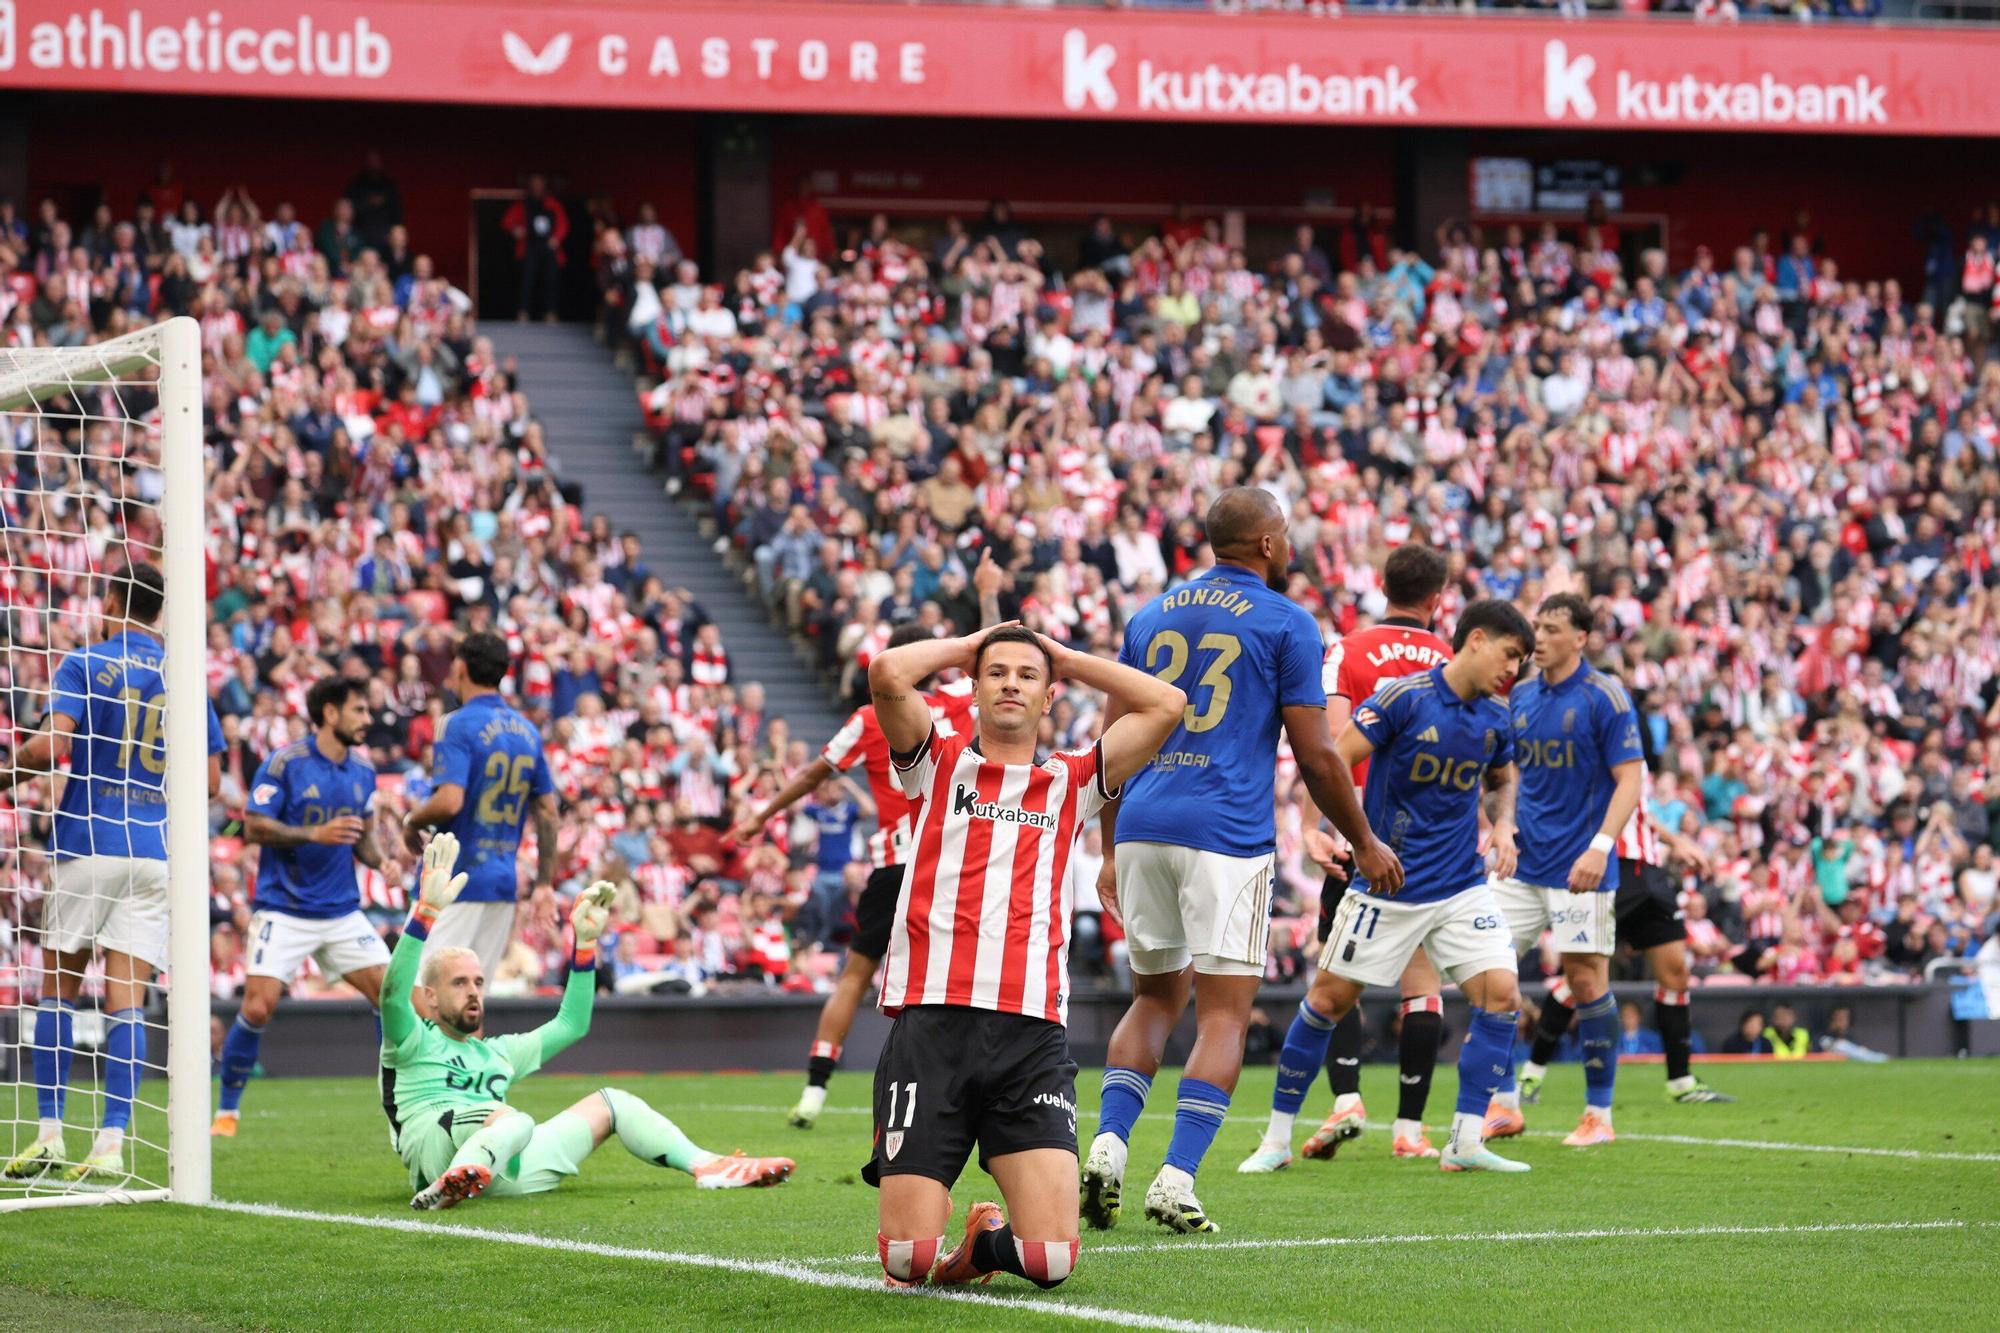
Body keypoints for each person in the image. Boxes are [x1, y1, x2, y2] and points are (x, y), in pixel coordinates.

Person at [1082, 488, 1399, 1236]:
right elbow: (1317, 754)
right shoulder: (1287, 620)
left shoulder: (1151, 615)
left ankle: (1106, 1147)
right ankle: (1176, 1178)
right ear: (1266, 544)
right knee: (1223, 1012)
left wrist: (1110, 848)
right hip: (1225, 833)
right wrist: (1363, 839)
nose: (1289, 544)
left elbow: (1111, 745)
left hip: (1144, 825)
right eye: (1284, 533)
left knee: (1153, 1000)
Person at [864, 623, 1186, 1290]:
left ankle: (981, 1246)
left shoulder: (1072, 780)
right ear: (974, 689)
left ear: (1048, 697)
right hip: (933, 1024)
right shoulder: (936, 762)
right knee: (907, 1260)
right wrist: (973, 645)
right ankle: (926, 1204)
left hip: (1030, 1033)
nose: (1011, 683)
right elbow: (888, 673)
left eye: (1027, 675)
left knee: (1050, 1260)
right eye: (997, 672)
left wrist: (1065, 658)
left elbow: (1167, 704)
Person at [1239, 600, 1535, 1176]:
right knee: (1327, 1002)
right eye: (1509, 654)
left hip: (1461, 886)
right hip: (1388, 884)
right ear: (1477, 639)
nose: (1513, 669)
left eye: (1520, 661)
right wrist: (1323, 831)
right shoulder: (1404, 698)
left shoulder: (1497, 717)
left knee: (1502, 995)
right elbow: (1332, 761)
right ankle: (1275, 1140)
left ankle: (1465, 1141)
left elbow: (1502, 779)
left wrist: (1502, 825)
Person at [387, 835, 793, 1209]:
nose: (474, 991)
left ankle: (709, 1165)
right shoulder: (411, 1039)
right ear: (430, 996)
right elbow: (391, 994)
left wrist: (585, 946)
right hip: (435, 1151)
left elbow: (572, 1024)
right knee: (514, 1118)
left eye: (478, 982)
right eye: (459, 983)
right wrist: (425, 914)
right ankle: (454, 1179)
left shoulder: (498, 1052)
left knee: (613, 1102)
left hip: (502, 1166)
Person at [2, 563, 224, 1180]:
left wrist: (7, 772)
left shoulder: (82, 662)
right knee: (128, 1001)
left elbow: (50, 748)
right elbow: (210, 781)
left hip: (89, 842)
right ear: (160, 610)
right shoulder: (184, 676)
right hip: (154, 853)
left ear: (110, 601)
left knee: (59, 991)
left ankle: (49, 1134)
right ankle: (110, 1143)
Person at [730, 621, 982, 1131]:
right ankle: (960, 1087)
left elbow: (813, 773)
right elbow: (989, 663)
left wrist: (761, 815)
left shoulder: (869, 717)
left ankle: (814, 1091)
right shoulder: (958, 701)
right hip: (948, 861)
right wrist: (987, 597)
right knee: (956, 980)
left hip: (893, 862)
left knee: (854, 976)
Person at [1294, 543, 1455, 1162]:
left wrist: (1316, 824)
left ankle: (1346, 1100)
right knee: (1422, 978)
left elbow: (1330, 742)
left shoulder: (1348, 650)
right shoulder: (1452, 660)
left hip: (1359, 830)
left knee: (1337, 972)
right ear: (1437, 597)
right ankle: (1410, 1130)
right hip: (1429, 839)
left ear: (1382, 586)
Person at [1482, 594, 1644, 1149]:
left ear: (1581, 638)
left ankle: (1599, 1114)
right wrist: (1503, 826)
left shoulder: (1605, 695)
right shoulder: (1520, 695)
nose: (1540, 638)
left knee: (1586, 982)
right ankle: (1504, 1105)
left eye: (1552, 629)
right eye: (1537, 627)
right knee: (1490, 972)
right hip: (1522, 863)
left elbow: (1630, 779)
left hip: (1582, 867)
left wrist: (1600, 847)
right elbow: (1506, 775)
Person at [213, 677, 395, 1137]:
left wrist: (384, 863)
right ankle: (227, 1112)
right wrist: (313, 834)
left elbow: (362, 839)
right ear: (330, 713)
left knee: (392, 997)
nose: (368, 719)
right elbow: (255, 826)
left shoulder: (362, 770)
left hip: (341, 912)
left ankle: (397, 1103)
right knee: (258, 1008)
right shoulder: (285, 763)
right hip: (284, 909)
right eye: (358, 710)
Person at [1517, 773, 1734, 1106]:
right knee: (1580, 978)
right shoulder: (1596, 745)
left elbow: (1636, 806)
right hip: (1607, 868)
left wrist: (1675, 841)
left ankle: (1681, 1082)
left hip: (1648, 871)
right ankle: (1531, 1075)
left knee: (1676, 974)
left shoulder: (1630, 750)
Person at [400, 633, 559, 982]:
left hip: (453, 881)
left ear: (461, 667)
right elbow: (548, 811)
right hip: (502, 884)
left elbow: (449, 800)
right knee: (471, 996)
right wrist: (545, 882)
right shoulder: (528, 732)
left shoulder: (456, 723)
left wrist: (411, 821)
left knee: (416, 989)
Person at [502, 173, 567, 322]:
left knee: (550, 281)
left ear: (544, 185)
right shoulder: (523, 204)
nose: (537, 186)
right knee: (526, 280)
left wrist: (556, 238)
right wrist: (515, 229)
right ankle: (523, 312)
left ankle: (550, 312)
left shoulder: (552, 204)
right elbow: (506, 221)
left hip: (549, 249)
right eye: (534, 183)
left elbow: (563, 224)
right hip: (529, 248)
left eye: (539, 183)